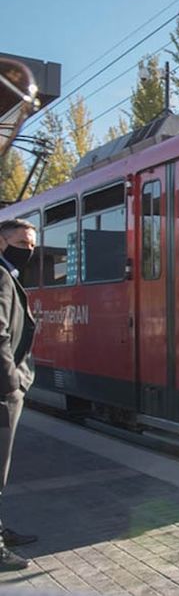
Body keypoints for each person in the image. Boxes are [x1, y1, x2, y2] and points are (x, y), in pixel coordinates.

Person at [0, 218, 38, 571]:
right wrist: (11, 383)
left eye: (32, 245)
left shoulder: (7, 273)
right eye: (23, 243)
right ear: (2, 241)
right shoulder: (0, 275)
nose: (29, 250)